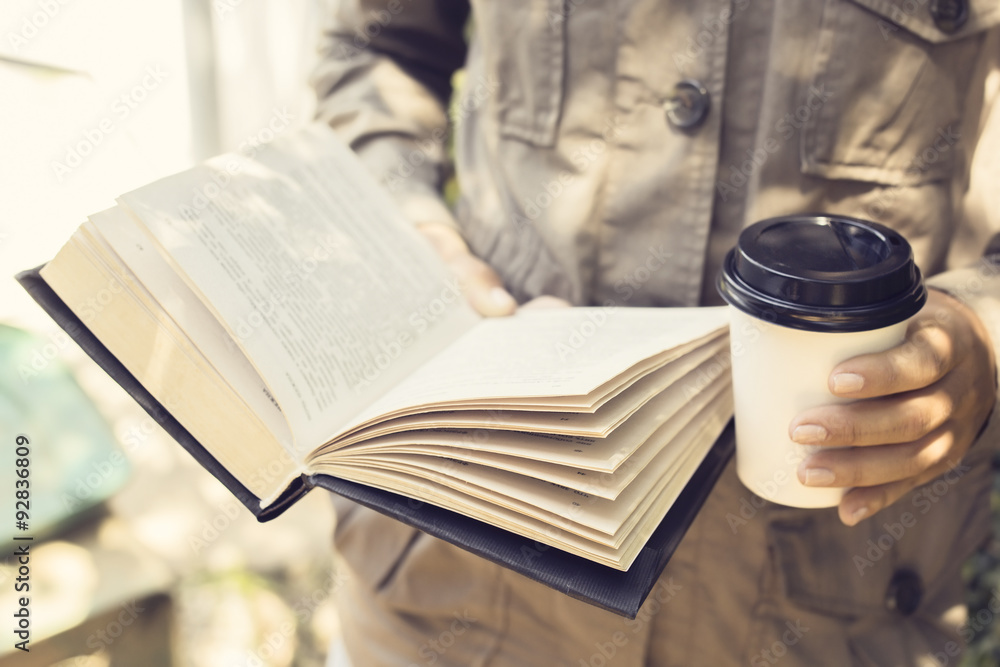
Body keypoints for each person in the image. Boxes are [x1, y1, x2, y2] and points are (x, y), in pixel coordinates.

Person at [311, 1, 1000, 664]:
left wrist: (984, 327)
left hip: (829, 616)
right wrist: (413, 234)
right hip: (451, 593)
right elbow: (373, 49)